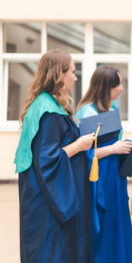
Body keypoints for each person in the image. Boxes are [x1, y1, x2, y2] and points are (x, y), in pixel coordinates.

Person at [14, 49, 95, 262]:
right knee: (51, 253)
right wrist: (78, 145)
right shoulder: (48, 111)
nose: (75, 77)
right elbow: (47, 160)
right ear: (59, 74)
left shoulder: (45, 105)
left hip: (43, 197)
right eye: (72, 71)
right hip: (48, 202)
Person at [75, 66, 132, 263]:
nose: (121, 88)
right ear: (105, 87)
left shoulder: (113, 110)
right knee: (101, 227)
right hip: (98, 181)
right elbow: (82, 153)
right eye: (117, 84)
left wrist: (128, 150)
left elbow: (116, 142)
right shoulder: (86, 112)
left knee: (116, 223)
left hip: (116, 179)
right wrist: (112, 149)